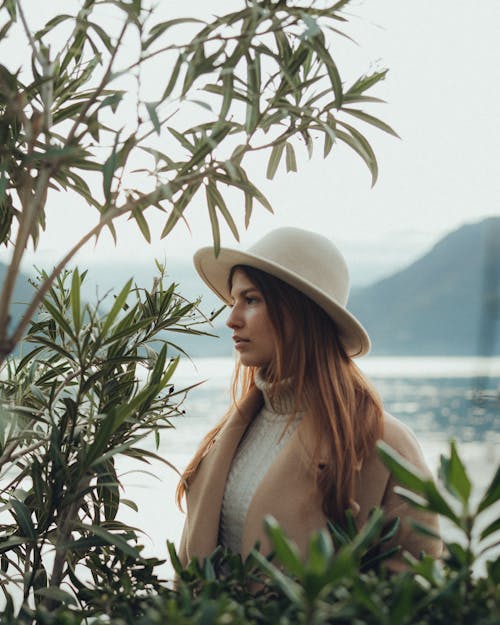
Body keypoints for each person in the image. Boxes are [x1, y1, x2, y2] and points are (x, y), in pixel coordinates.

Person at [176, 227, 441, 569]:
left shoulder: (383, 445)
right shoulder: (227, 436)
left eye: (251, 300)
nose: (231, 319)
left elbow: (417, 586)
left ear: (298, 312)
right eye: (233, 301)